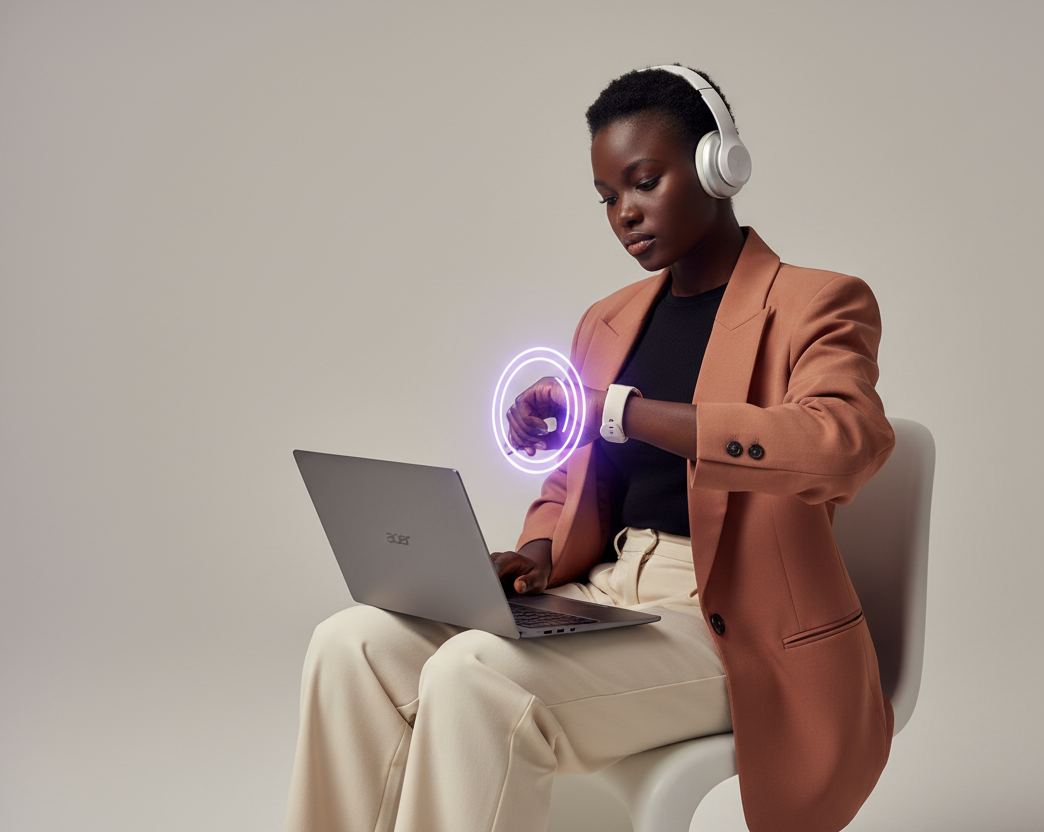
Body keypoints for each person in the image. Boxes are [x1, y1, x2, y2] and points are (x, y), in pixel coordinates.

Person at [283, 65, 895, 832]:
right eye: (608, 198)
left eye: (644, 183)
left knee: (479, 676)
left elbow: (843, 446)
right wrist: (537, 550)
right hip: (601, 596)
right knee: (353, 643)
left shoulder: (817, 303)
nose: (625, 214)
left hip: (729, 621)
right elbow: (573, 482)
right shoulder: (608, 319)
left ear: (719, 165)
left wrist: (626, 413)